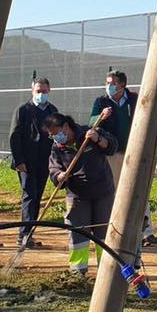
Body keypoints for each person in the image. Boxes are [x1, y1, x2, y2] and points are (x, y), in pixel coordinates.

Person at [91, 70, 157, 247]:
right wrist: (100, 117)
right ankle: (115, 233)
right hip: (111, 155)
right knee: (114, 193)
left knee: (139, 190)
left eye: (113, 83)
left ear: (122, 84)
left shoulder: (134, 99)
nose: (109, 86)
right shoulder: (101, 102)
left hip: (133, 153)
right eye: (107, 83)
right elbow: (91, 124)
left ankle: (147, 233)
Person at [44, 112, 116, 275]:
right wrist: (60, 176)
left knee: (104, 233)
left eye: (56, 133)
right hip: (77, 195)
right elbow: (54, 169)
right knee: (78, 233)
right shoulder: (57, 148)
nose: (55, 137)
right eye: (51, 135)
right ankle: (78, 271)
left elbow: (112, 146)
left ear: (66, 127)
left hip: (102, 191)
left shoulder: (89, 133)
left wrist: (98, 139)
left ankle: (106, 271)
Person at [10, 77, 57, 247]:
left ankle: (30, 232)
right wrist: (19, 161)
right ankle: (24, 234)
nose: (41, 94)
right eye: (38, 91)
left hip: (44, 161)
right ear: (32, 91)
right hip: (26, 162)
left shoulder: (52, 111)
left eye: (44, 91)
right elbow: (14, 137)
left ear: (49, 91)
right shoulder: (23, 110)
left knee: (37, 196)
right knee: (29, 195)